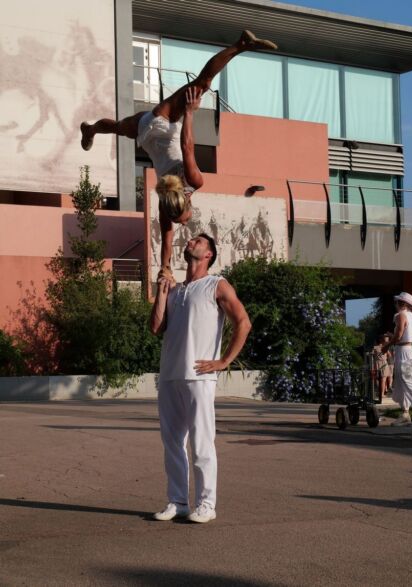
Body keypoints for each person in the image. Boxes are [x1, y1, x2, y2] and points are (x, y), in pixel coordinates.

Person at [80, 30, 277, 280]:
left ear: (186, 203)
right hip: (146, 133)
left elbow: (188, 148)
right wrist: (165, 267)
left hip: (164, 122)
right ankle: (91, 129)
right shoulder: (167, 203)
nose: (184, 223)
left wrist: (191, 113)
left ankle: (241, 44)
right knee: (119, 127)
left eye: (182, 220)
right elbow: (166, 236)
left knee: (203, 84)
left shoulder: (193, 182)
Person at [149, 233, 252, 523]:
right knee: (172, 442)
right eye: (191, 239)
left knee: (202, 442)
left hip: (199, 376)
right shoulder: (176, 289)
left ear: (208, 255)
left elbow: (243, 322)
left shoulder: (216, 285)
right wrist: (162, 291)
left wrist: (223, 361)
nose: (191, 241)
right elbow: (156, 327)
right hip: (170, 374)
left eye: (199, 241)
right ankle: (178, 501)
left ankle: (206, 504)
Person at [382, 292, 412, 427]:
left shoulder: (401, 315)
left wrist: (387, 345)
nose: (395, 304)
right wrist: (393, 336)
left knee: (409, 382)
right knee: (403, 382)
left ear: (401, 303)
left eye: (397, 302)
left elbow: (399, 335)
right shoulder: (411, 316)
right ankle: (405, 414)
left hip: (404, 352)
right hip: (406, 351)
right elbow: (402, 334)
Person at [372, 334, 392, 400]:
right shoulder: (385, 347)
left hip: (376, 363)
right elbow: (390, 355)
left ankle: (378, 392)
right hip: (384, 364)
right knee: (383, 380)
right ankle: (382, 394)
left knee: (377, 379)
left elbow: (371, 355)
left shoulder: (374, 348)